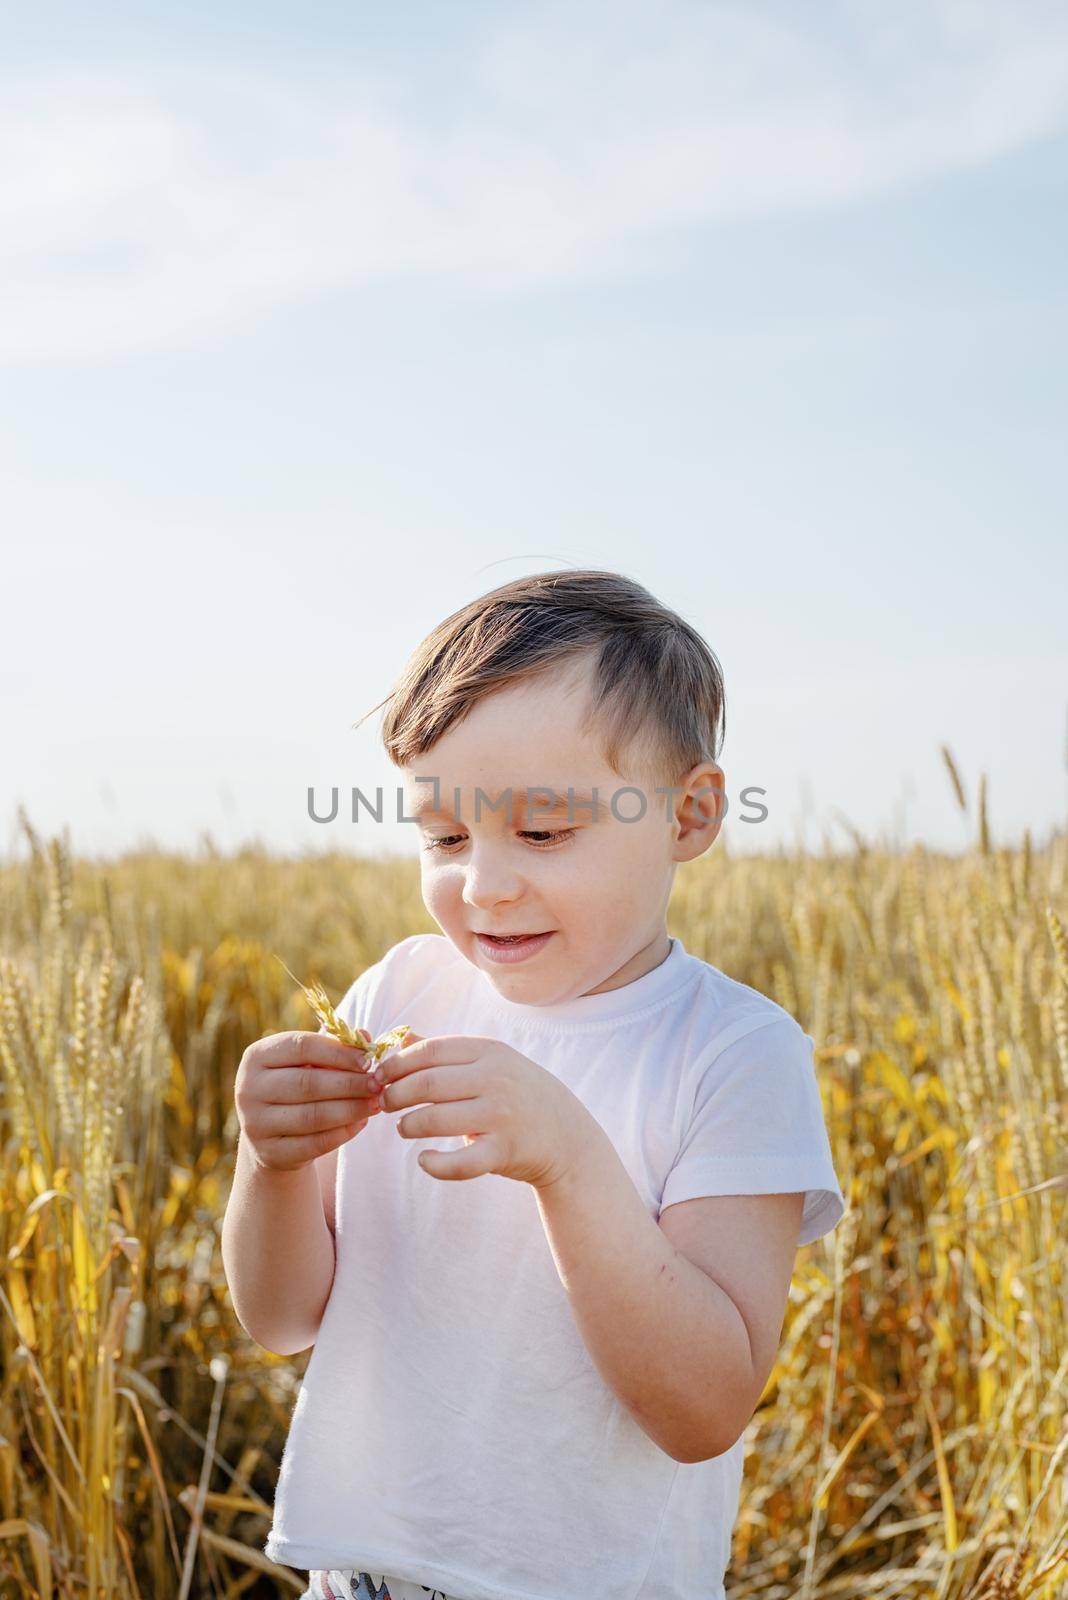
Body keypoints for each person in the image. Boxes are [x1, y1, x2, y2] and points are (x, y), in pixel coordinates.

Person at [221, 568, 846, 1600]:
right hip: (363, 1579)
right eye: (444, 836)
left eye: (545, 832)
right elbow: (283, 1317)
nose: (484, 883)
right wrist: (272, 1160)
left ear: (688, 817)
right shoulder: (403, 990)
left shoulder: (733, 1050)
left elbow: (704, 1409)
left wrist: (566, 1156)